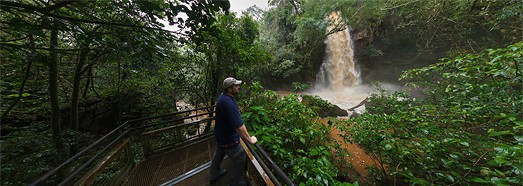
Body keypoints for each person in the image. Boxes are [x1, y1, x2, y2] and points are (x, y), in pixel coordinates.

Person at [209, 77, 258, 186]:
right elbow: (239, 126)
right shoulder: (228, 103)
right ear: (230, 89)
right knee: (241, 159)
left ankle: (214, 175)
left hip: (220, 135)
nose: (239, 87)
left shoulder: (223, 97)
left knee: (218, 155)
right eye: (236, 85)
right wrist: (250, 139)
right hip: (228, 139)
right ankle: (234, 183)